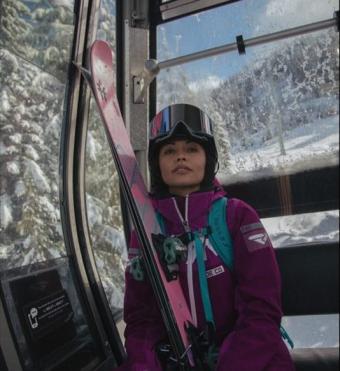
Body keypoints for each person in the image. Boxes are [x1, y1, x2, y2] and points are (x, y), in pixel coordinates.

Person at [120, 104, 295, 370]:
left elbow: (261, 309)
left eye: (191, 149)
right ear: (157, 164)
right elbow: (140, 319)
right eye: (169, 151)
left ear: (208, 159)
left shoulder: (236, 217)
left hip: (250, 360)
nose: (181, 157)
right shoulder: (145, 232)